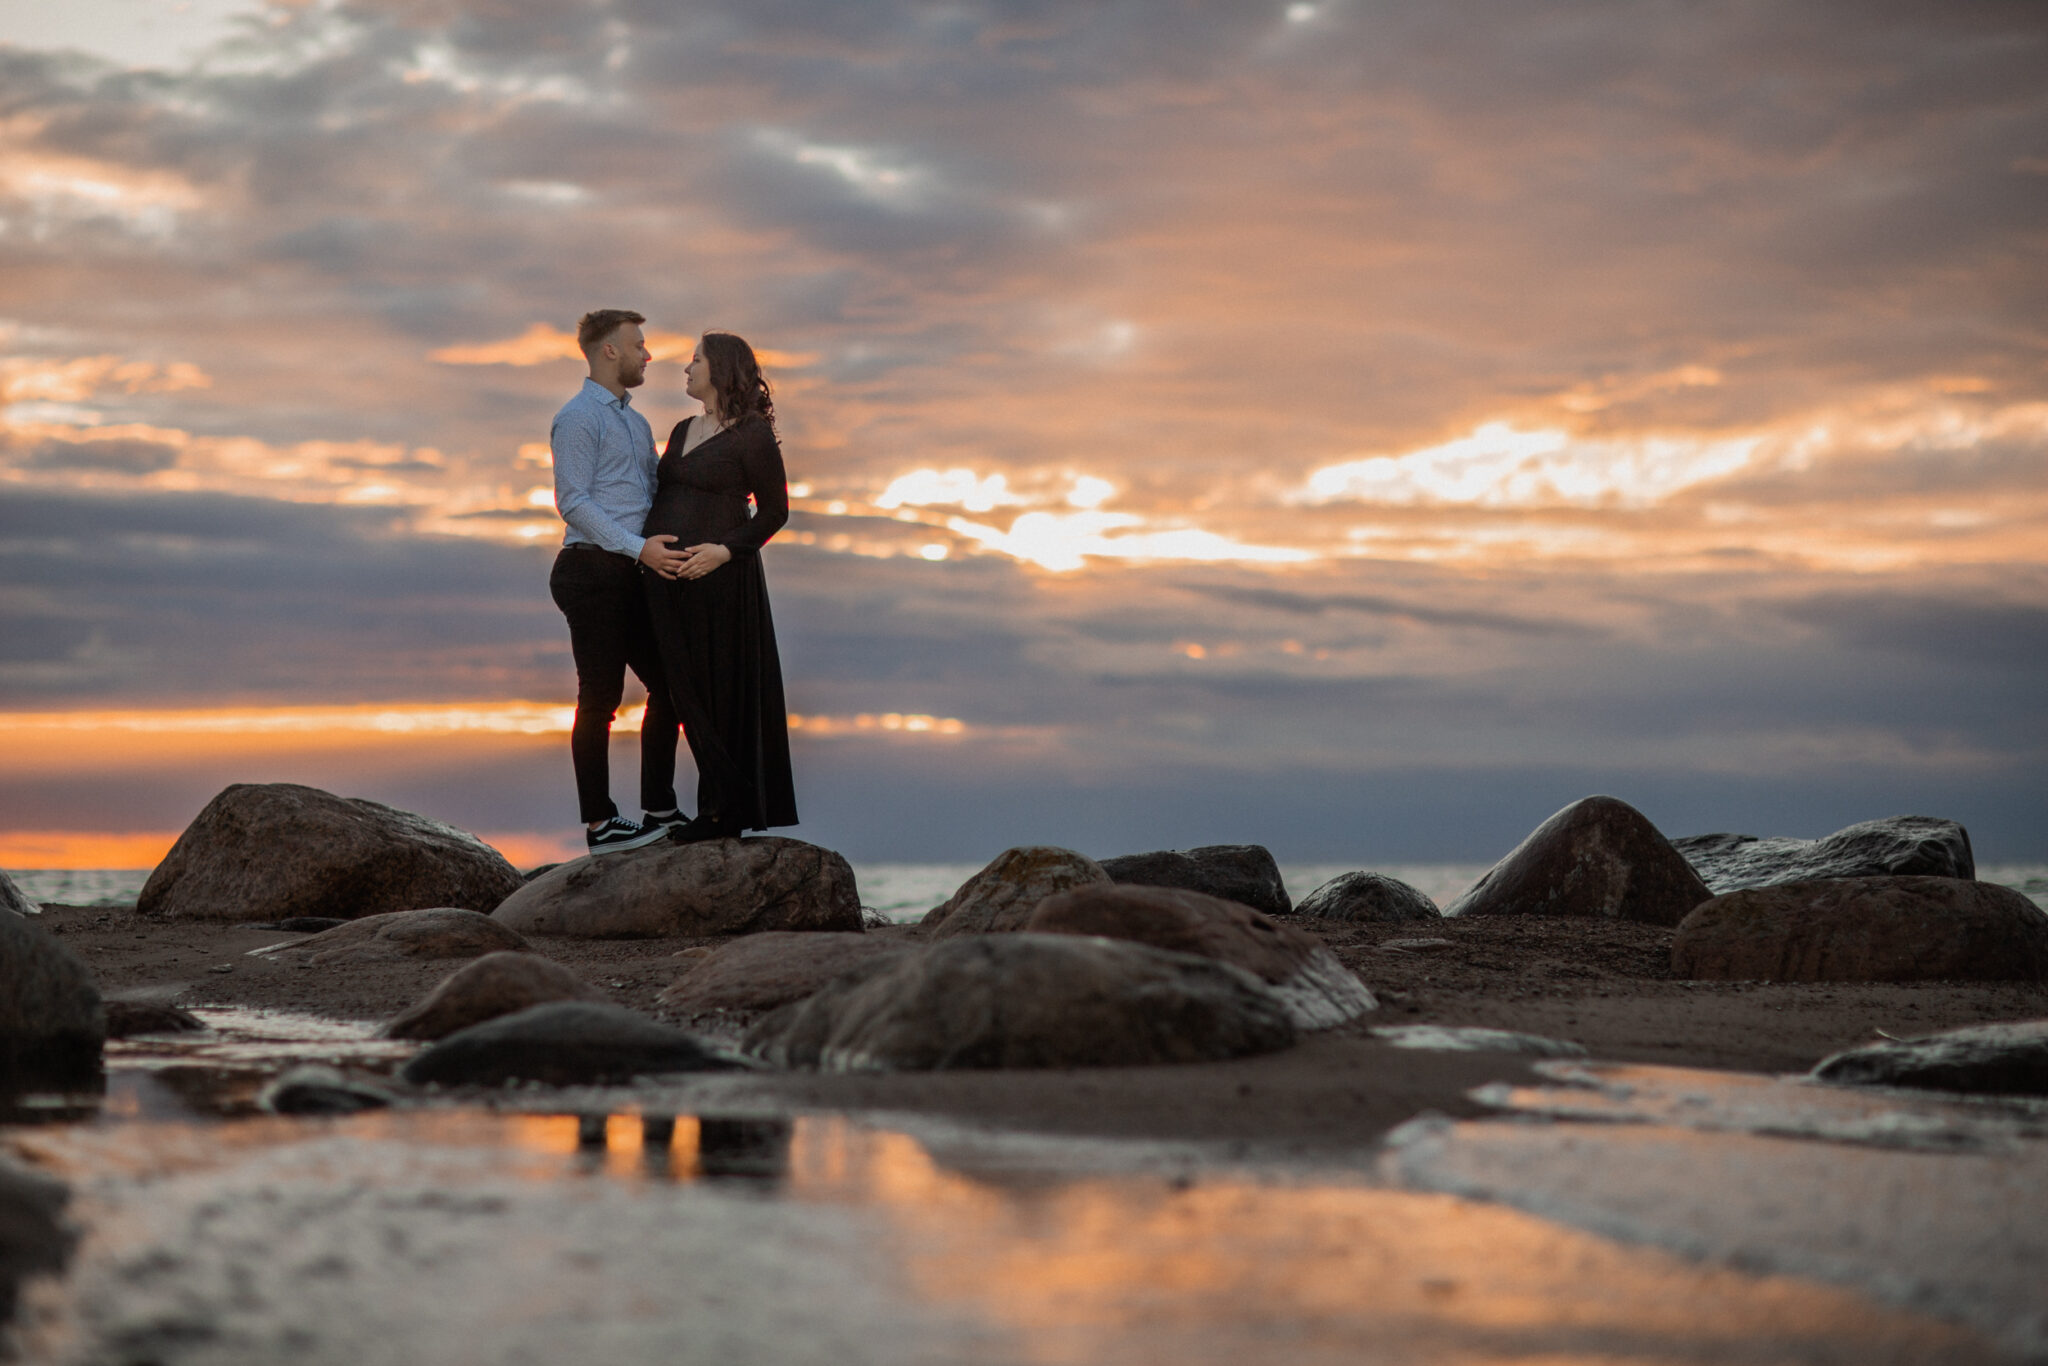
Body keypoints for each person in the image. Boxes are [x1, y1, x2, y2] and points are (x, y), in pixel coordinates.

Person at [642, 331, 799, 840]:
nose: (686, 369)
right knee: (676, 690)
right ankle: (663, 807)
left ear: (722, 369)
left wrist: (723, 551)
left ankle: (722, 811)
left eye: (695, 360)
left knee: (720, 690)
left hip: (722, 579)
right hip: (666, 579)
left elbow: (776, 512)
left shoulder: (752, 435)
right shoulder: (682, 427)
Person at [547, 308, 689, 855]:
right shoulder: (579, 417)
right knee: (601, 698)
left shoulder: (635, 421)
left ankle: (659, 809)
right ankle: (601, 825)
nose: (647, 354)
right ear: (610, 350)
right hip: (590, 571)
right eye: (639, 344)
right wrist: (638, 549)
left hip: (630, 572)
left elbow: (654, 495)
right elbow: (574, 503)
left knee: (671, 686)